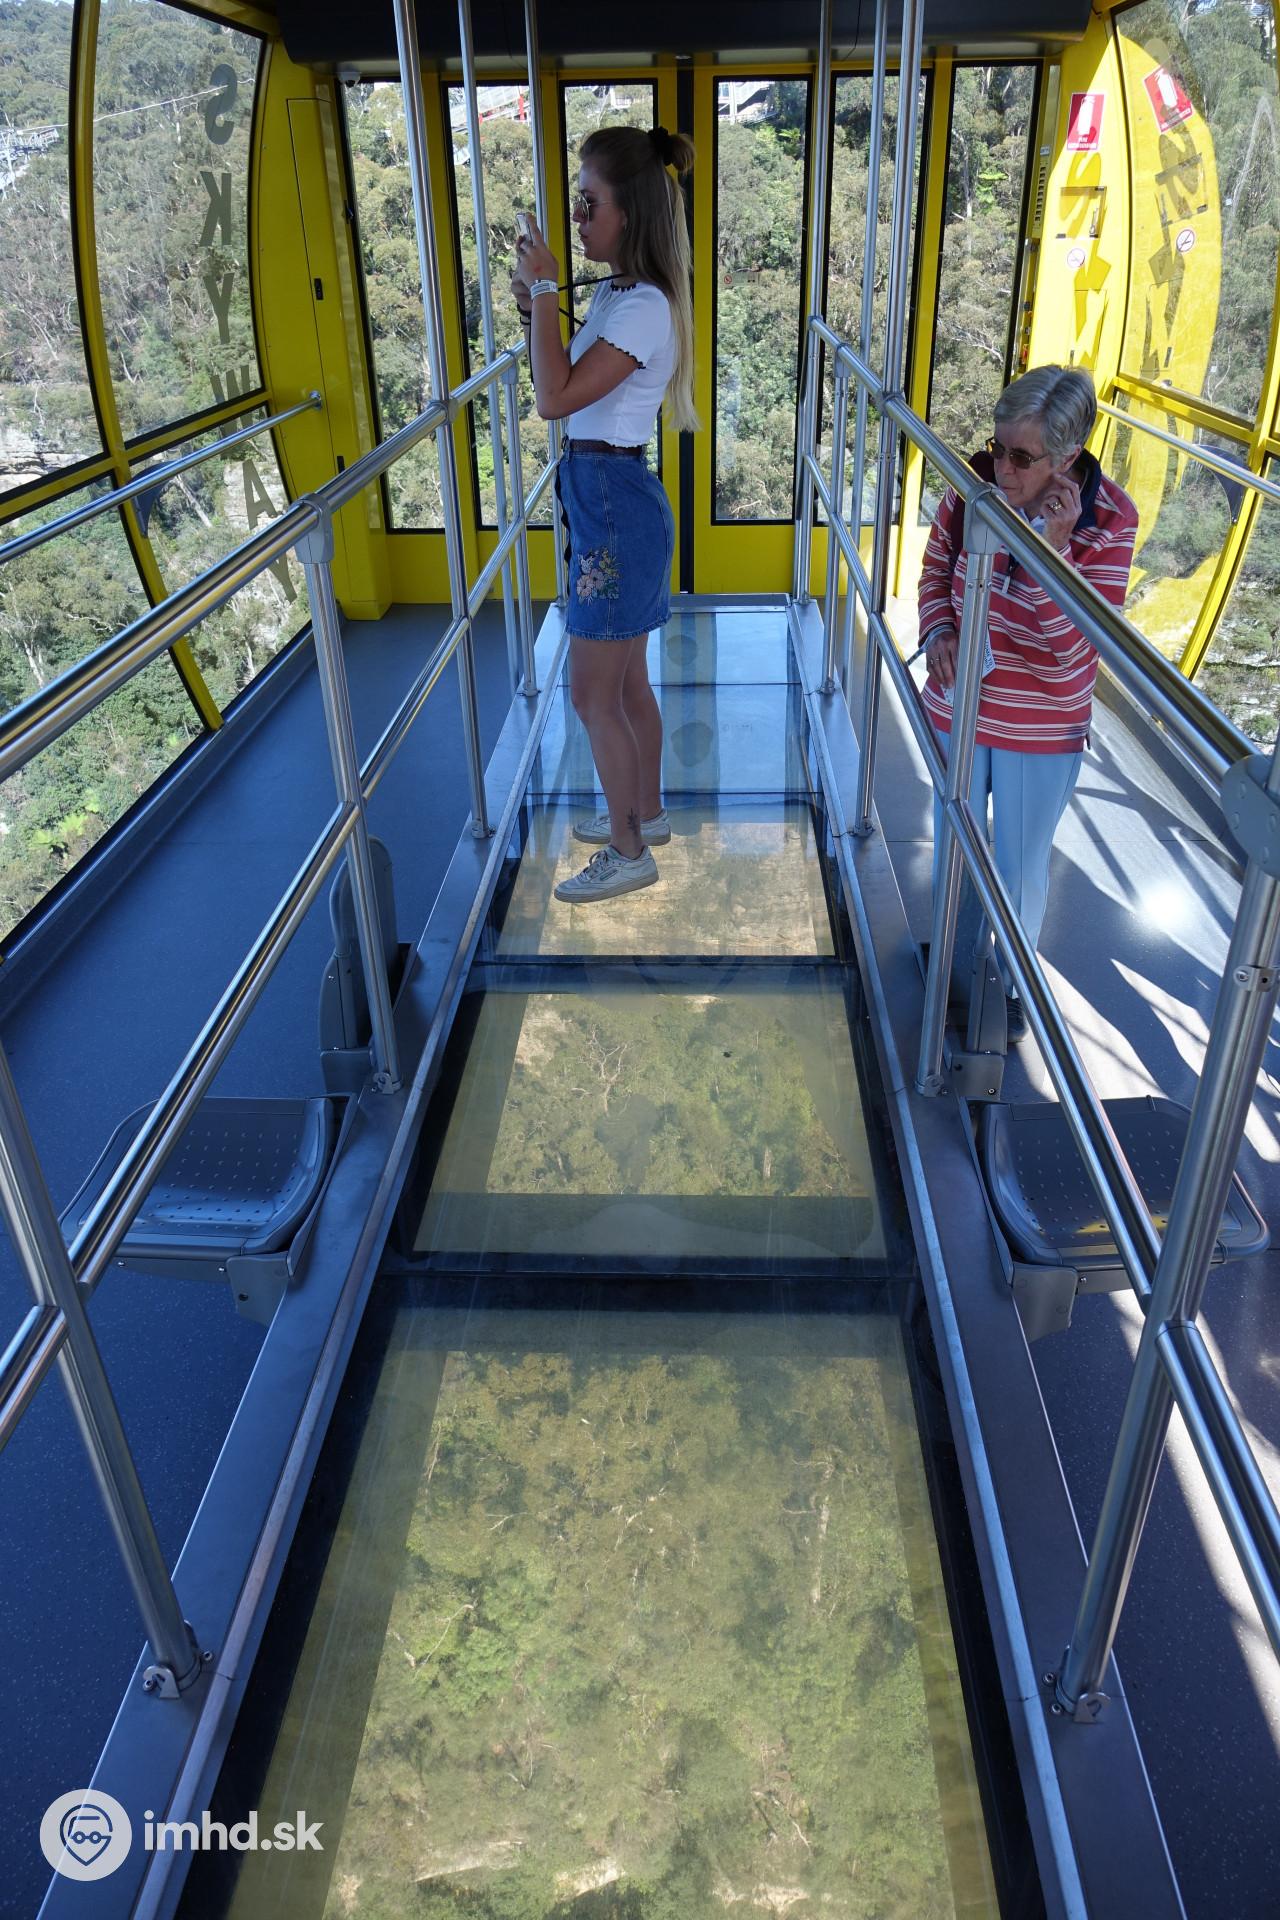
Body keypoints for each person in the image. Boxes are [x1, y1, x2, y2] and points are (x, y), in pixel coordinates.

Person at [918, 365, 1138, 1040]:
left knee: (1018, 868)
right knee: (953, 845)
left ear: (1067, 459)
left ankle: (1010, 987)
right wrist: (939, 628)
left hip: (1039, 722)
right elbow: (936, 567)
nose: (1002, 469)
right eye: (998, 447)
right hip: (962, 700)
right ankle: (950, 964)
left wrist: (1052, 554)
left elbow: (1074, 651)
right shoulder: (975, 486)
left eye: (1022, 457)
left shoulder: (1109, 521)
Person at [511, 124, 697, 903]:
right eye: (577, 202)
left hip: (613, 505)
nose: (578, 218)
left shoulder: (643, 305)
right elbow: (560, 376)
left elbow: (553, 399)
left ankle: (628, 853)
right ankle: (643, 814)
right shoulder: (618, 294)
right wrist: (539, 303)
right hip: (606, 497)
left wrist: (546, 292)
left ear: (630, 213)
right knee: (624, 688)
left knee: (593, 696)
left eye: (590, 204)